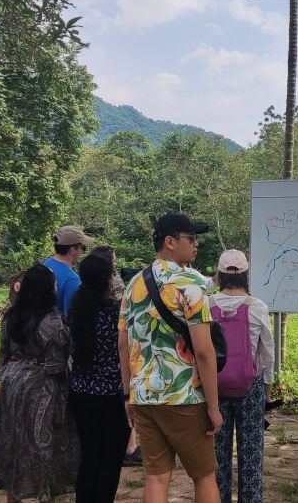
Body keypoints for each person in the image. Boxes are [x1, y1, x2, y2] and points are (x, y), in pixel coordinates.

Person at [118, 213, 223, 503]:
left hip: (144, 398)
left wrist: (128, 394)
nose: (196, 245)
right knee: (203, 475)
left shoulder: (134, 283)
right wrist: (213, 407)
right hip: (184, 397)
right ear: (169, 242)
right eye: (191, 238)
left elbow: (123, 343)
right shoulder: (189, 281)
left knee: (156, 477)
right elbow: (203, 350)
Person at [0, 263, 77, 501]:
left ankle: (12, 495)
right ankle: (44, 495)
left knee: (13, 440)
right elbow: (57, 363)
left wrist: (9, 376)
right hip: (42, 388)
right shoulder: (52, 322)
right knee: (43, 446)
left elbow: (3, 354)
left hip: (12, 385)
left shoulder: (10, 317)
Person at [209, 249, 273, 503]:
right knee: (251, 455)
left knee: (216, 456)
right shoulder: (257, 307)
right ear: (246, 274)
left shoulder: (207, 305)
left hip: (214, 390)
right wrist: (266, 391)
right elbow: (267, 352)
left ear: (220, 275)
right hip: (250, 387)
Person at [66, 254, 132, 502]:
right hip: (112, 394)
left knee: (89, 456)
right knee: (110, 460)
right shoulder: (116, 313)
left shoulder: (76, 310)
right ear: (108, 279)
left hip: (81, 391)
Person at [91, 245, 142, 466]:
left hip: (90, 365)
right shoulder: (118, 286)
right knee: (125, 399)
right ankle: (130, 447)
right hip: (115, 354)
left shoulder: (82, 295)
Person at [43, 225, 94, 315]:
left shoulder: (44, 265)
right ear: (72, 250)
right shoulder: (72, 280)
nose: (83, 252)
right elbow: (70, 319)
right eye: (83, 248)